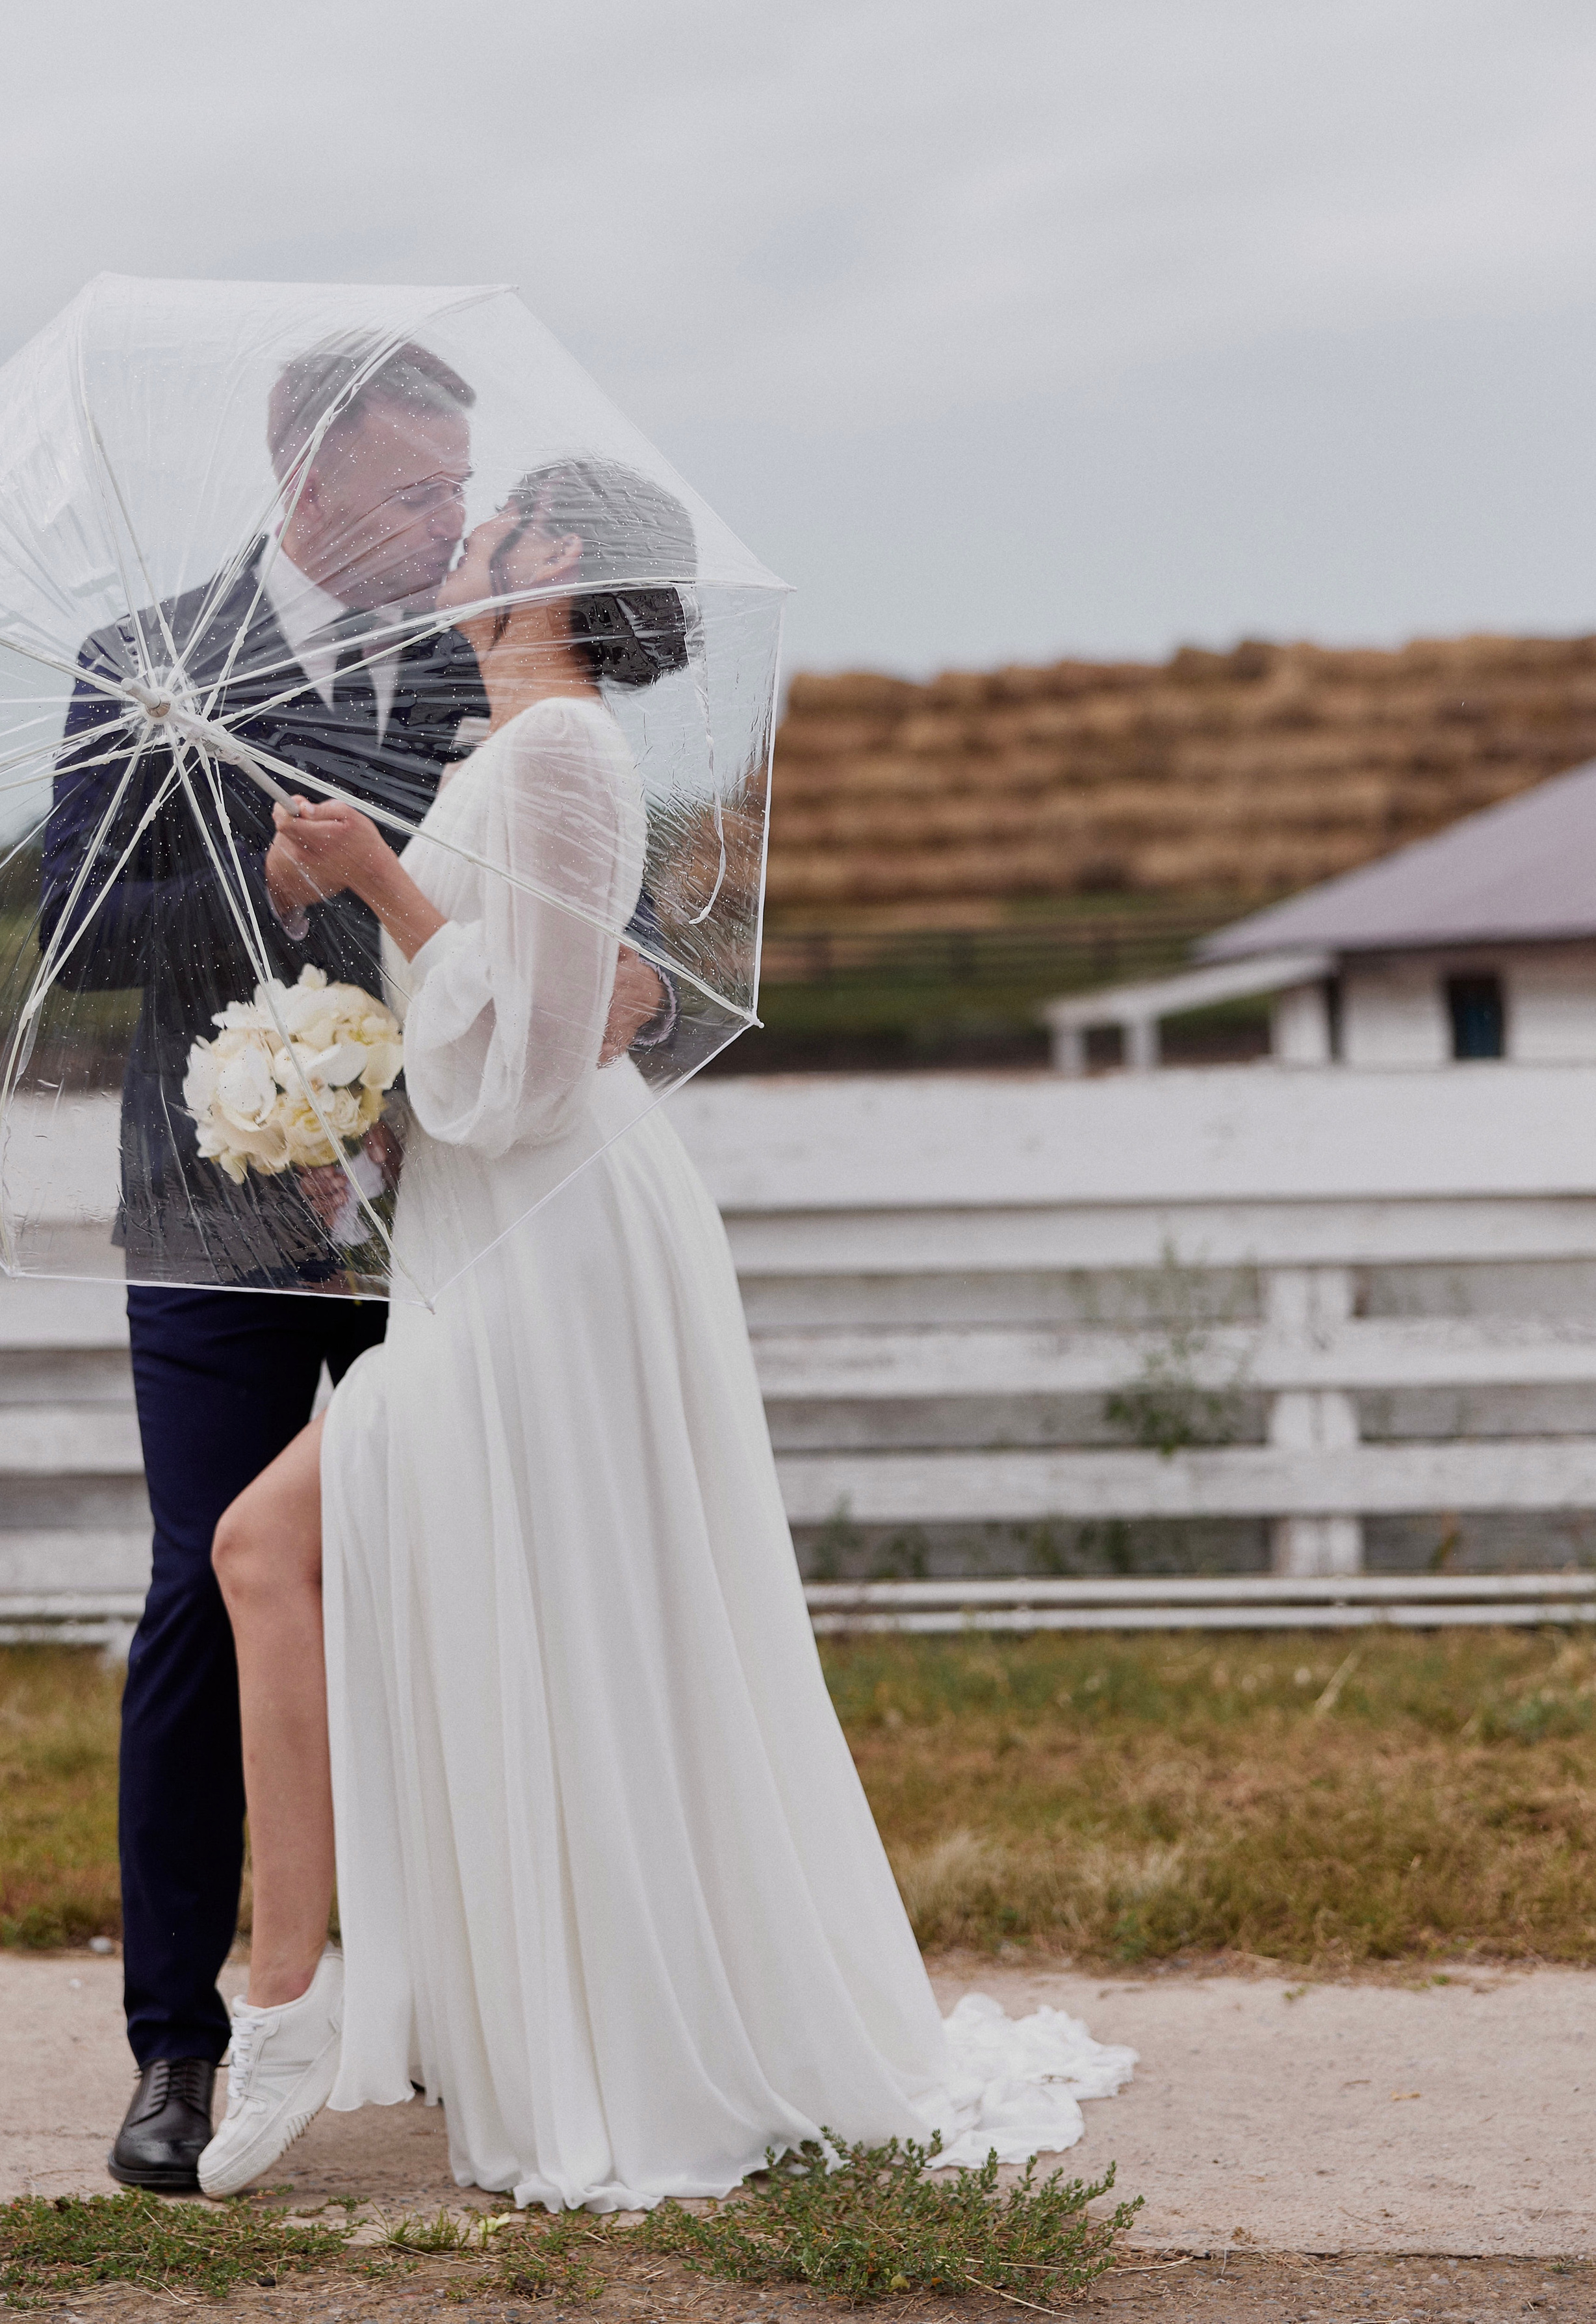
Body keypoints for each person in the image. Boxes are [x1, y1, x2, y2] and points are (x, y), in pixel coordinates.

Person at [196, 458, 1133, 2206]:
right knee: (469, 1595)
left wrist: (388, 890)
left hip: (560, 1251)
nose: (462, 536)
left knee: (272, 1548)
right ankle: (390, 1998)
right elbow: (492, 1045)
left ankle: (292, 2004)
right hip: (485, 1238)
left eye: (495, 516)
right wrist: (339, 1086)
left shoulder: (562, 753)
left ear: (553, 556)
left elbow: (540, 1069)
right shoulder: (499, 755)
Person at [40, 354, 669, 2193]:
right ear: (303, 478)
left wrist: (597, 989)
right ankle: (182, 2044)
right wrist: (276, 888)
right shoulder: (146, 662)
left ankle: (474, 2012)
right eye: (412, 494)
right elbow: (78, 926)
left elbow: (602, 935)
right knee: (204, 1587)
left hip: (454, 1213)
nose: (446, 524)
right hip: (212, 1217)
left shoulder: (492, 666)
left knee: (470, 1579)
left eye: (461, 490)